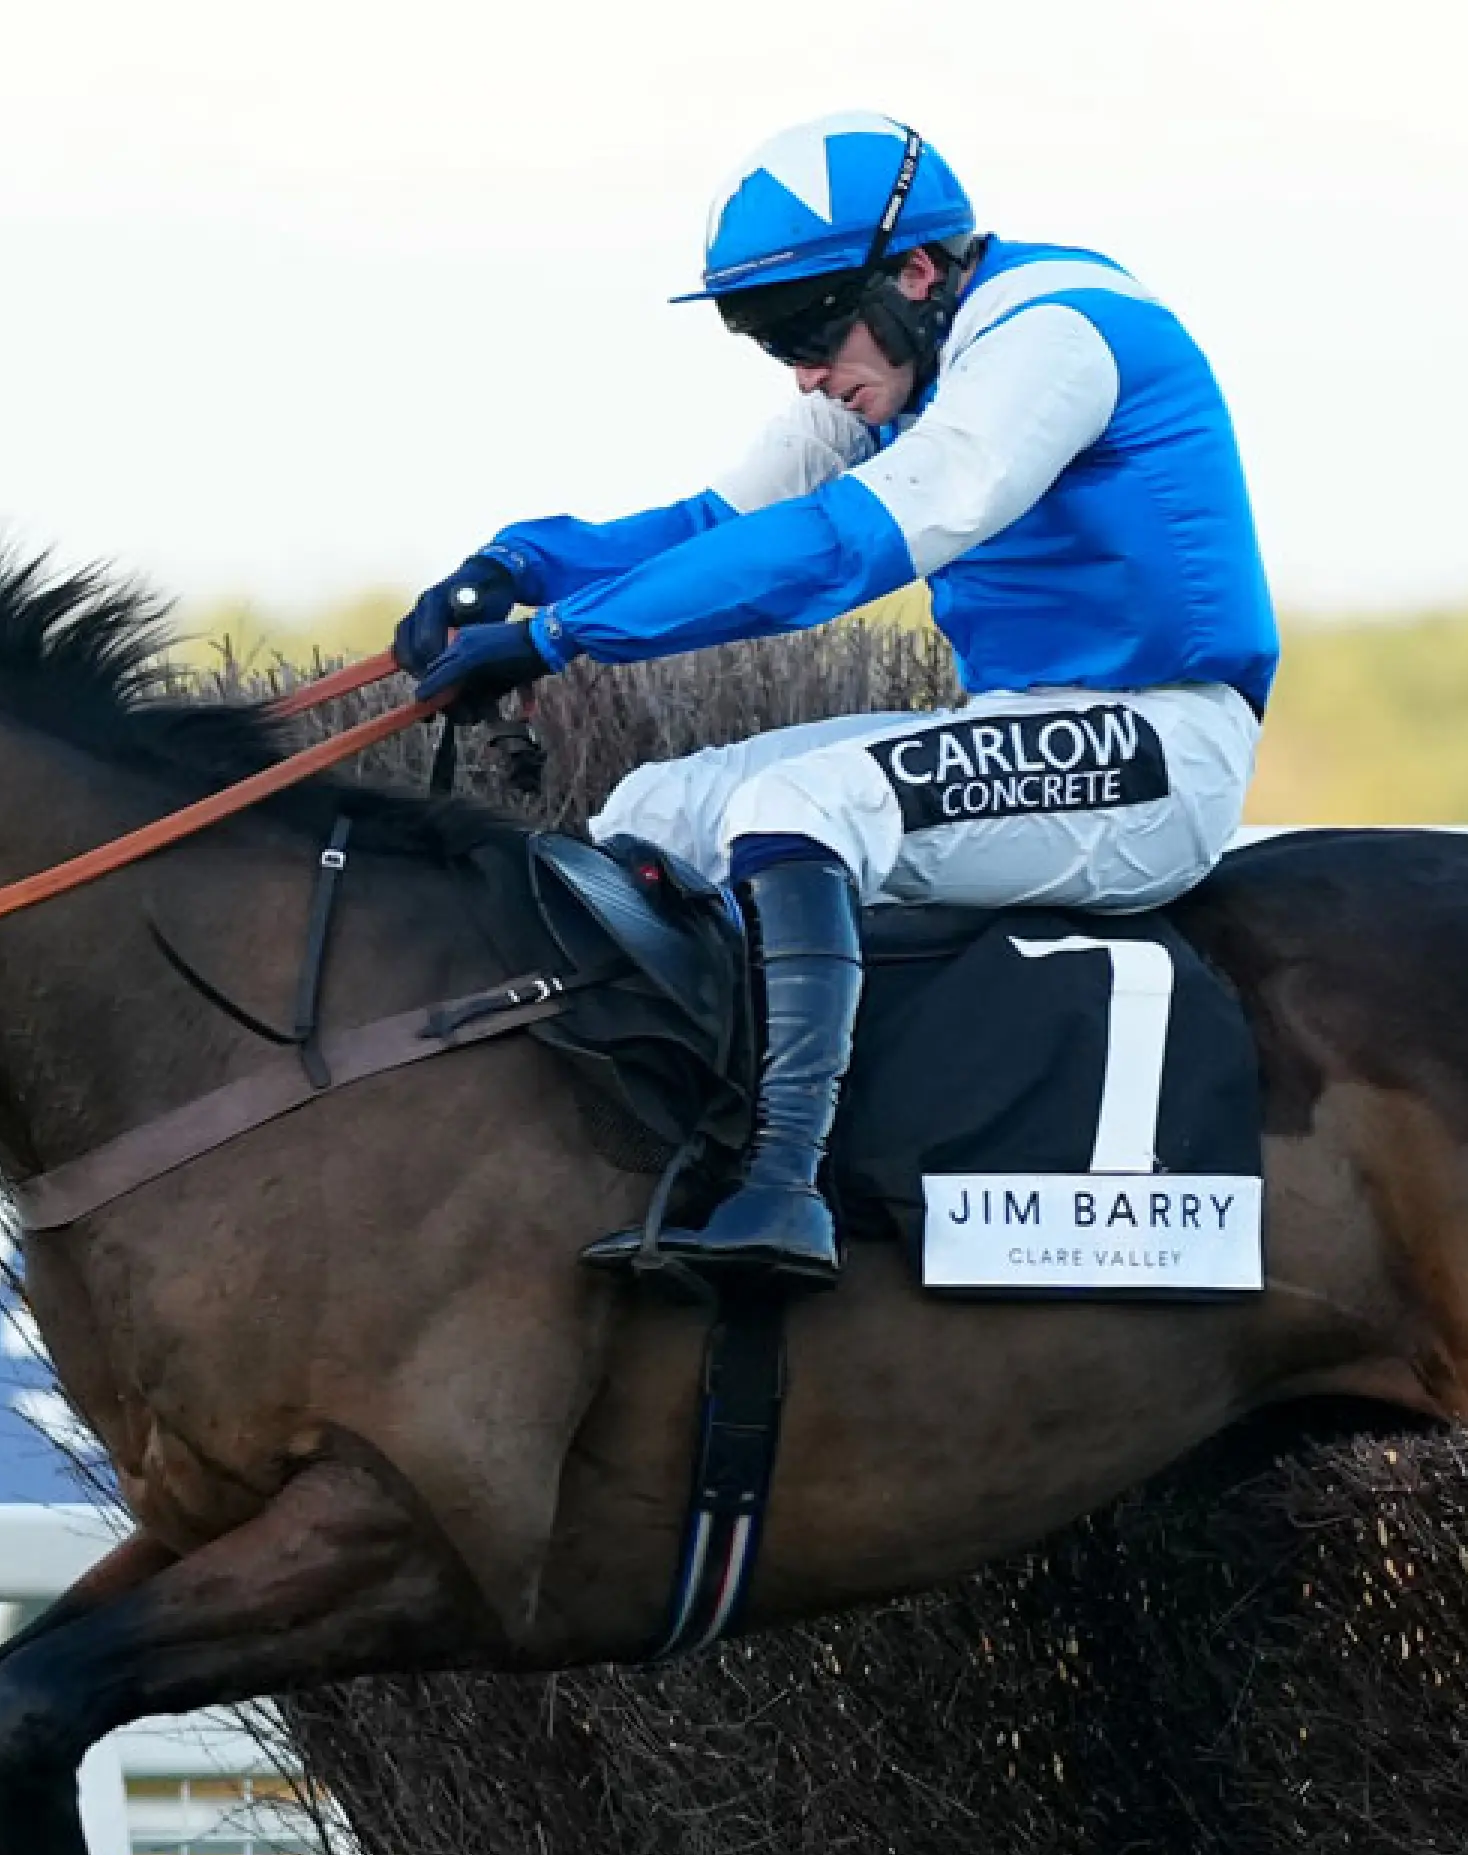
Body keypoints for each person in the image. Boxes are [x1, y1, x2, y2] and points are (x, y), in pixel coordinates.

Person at [396, 110, 1278, 1289]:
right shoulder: (901, 359)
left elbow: (844, 550)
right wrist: (522, 566)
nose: (807, 370)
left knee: (807, 806)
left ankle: (783, 1190)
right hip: (1025, 727)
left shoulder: (1052, 340)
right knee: (656, 809)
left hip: (1162, 748)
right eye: (772, 342)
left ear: (917, 272)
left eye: (812, 327)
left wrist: (557, 640)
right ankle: (655, 1149)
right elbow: (718, 526)